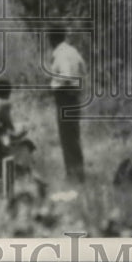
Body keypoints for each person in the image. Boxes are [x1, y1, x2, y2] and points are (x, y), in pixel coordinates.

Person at [48, 29, 86, 183]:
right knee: (73, 136)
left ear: (51, 39)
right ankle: (78, 173)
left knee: (67, 137)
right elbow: (83, 69)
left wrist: (57, 84)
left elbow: (66, 75)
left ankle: (73, 175)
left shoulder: (60, 54)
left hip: (65, 97)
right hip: (74, 97)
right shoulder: (73, 51)